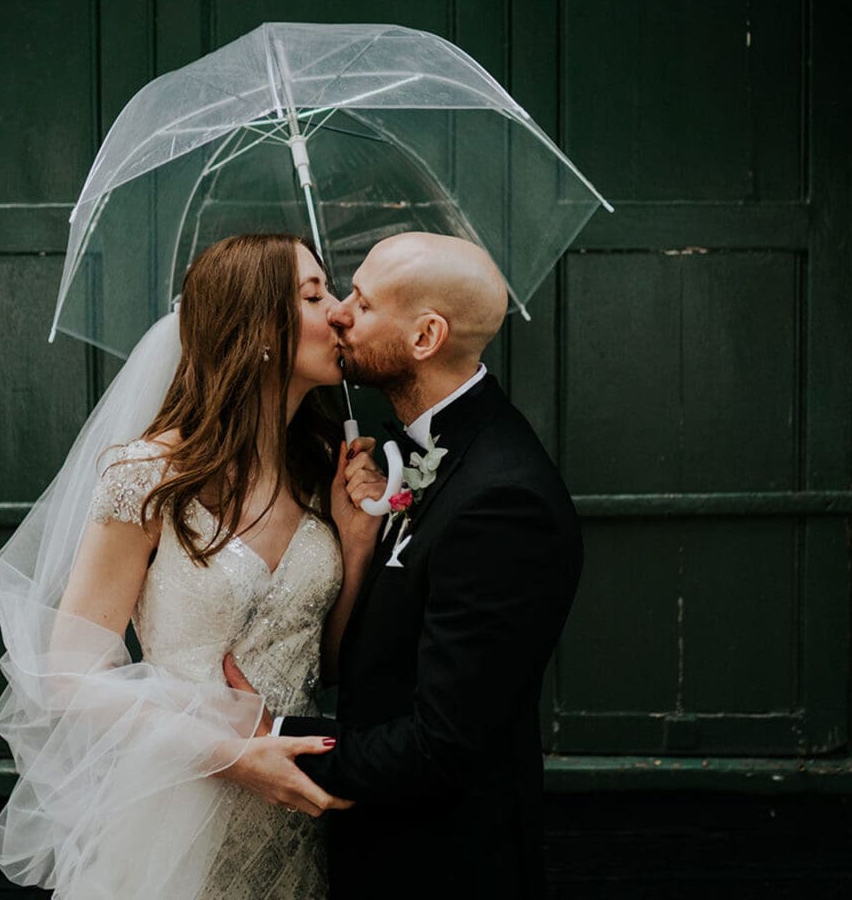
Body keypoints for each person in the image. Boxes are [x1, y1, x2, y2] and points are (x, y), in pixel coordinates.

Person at [0, 233, 377, 899]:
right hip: (176, 808)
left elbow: (329, 662)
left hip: (297, 813)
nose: (340, 311)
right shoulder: (147, 477)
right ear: (257, 331)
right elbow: (70, 677)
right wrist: (232, 757)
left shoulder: (320, 476)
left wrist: (358, 543)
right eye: (314, 295)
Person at [221, 232, 584, 899]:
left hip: (443, 871)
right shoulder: (410, 456)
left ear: (425, 338)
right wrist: (358, 543)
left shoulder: (505, 499)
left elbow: (441, 742)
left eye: (361, 303)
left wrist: (271, 738)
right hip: (373, 855)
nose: (339, 314)